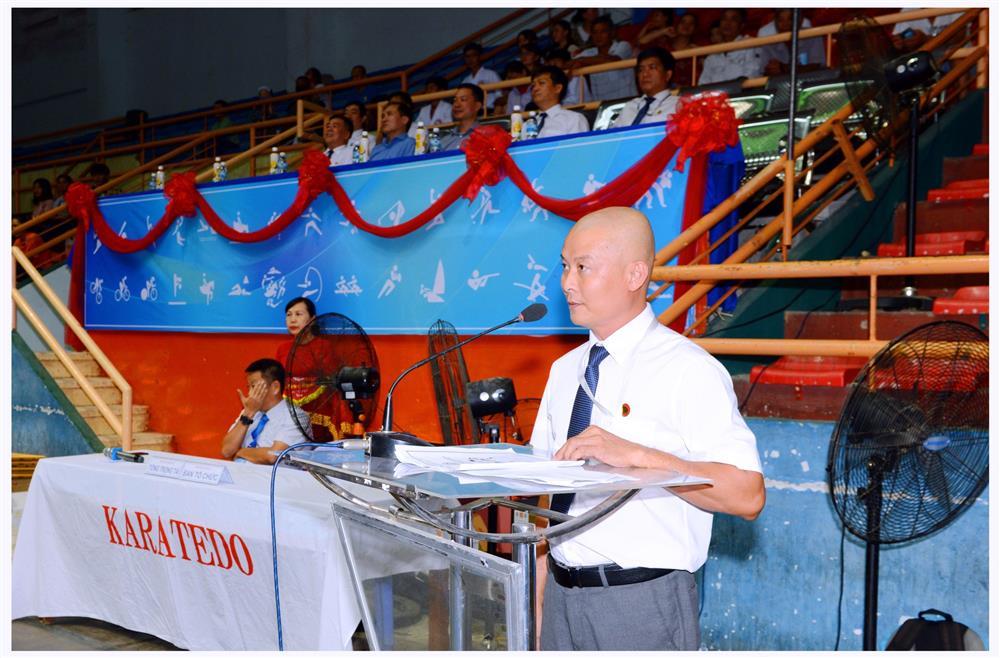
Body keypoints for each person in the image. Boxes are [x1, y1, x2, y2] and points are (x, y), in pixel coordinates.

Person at [531, 206, 765, 651]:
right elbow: (548, 490)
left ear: (635, 274)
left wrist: (641, 457)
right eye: (564, 266)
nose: (566, 283)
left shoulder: (688, 370)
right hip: (561, 595)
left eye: (582, 267)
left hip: (639, 601)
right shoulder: (564, 371)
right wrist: (540, 584)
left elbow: (748, 495)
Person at [221, 358, 312, 465]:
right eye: (248, 387)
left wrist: (240, 452)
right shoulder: (250, 410)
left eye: (254, 386)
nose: (249, 393)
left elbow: (273, 455)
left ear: (275, 387)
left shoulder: (297, 417)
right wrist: (248, 414)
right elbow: (226, 451)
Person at [571, 15, 636, 101]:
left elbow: (613, 60)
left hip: (627, 103)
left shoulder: (623, 46)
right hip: (602, 106)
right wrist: (577, 62)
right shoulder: (589, 52)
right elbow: (569, 63)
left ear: (612, 32)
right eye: (595, 32)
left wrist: (582, 61)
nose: (598, 36)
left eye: (603, 32)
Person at [612, 47, 679, 128]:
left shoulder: (678, 105)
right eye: (641, 70)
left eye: (652, 68)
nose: (645, 74)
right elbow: (614, 134)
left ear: (668, 75)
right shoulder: (630, 106)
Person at [698, 9, 763, 84]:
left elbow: (753, 75)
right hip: (716, 91)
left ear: (741, 25)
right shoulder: (711, 56)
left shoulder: (750, 45)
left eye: (733, 19)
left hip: (741, 90)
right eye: (724, 19)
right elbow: (703, 84)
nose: (727, 23)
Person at [758, 9, 825, 76]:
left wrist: (784, 68)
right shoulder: (769, 44)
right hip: (781, 82)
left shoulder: (813, 36)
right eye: (780, 20)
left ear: (800, 20)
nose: (785, 24)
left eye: (790, 19)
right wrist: (770, 70)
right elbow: (763, 73)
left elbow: (816, 67)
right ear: (775, 23)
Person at [530, 65, 590, 139]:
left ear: (558, 88)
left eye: (542, 83)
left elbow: (578, 146)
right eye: (533, 85)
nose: (535, 88)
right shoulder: (527, 124)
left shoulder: (574, 119)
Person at [440, 83, 484, 152]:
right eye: (455, 100)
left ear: (477, 106)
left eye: (463, 99)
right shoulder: (444, 141)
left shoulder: (485, 137)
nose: (456, 105)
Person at [461, 42, 502, 110]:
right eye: (467, 57)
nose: (470, 59)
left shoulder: (491, 74)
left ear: (479, 56)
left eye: (473, 55)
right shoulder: (465, 81)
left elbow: (499, 95)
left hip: (489, 110)